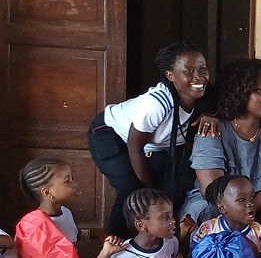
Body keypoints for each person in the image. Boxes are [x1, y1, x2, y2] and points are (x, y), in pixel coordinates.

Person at [88, 42, 217, 236]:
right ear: (170, 76)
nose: (198, 77)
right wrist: (148, 191)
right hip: (111, 134)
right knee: (133, 191)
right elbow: (135, 145)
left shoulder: (208, 97)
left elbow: (226, 106)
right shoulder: (157, 103)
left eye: (203, 69)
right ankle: (114, 247)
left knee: (170, 189)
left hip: (153, 145)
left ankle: (158, 245)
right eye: (188, 71)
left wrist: (211, 113)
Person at [185, 58, 261, 228]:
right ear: (238, 92)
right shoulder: (212, 128)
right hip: (220, 206)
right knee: (202, 208)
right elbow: (212, 189)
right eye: (259, 91)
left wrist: (250, 208)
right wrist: (241, 211)